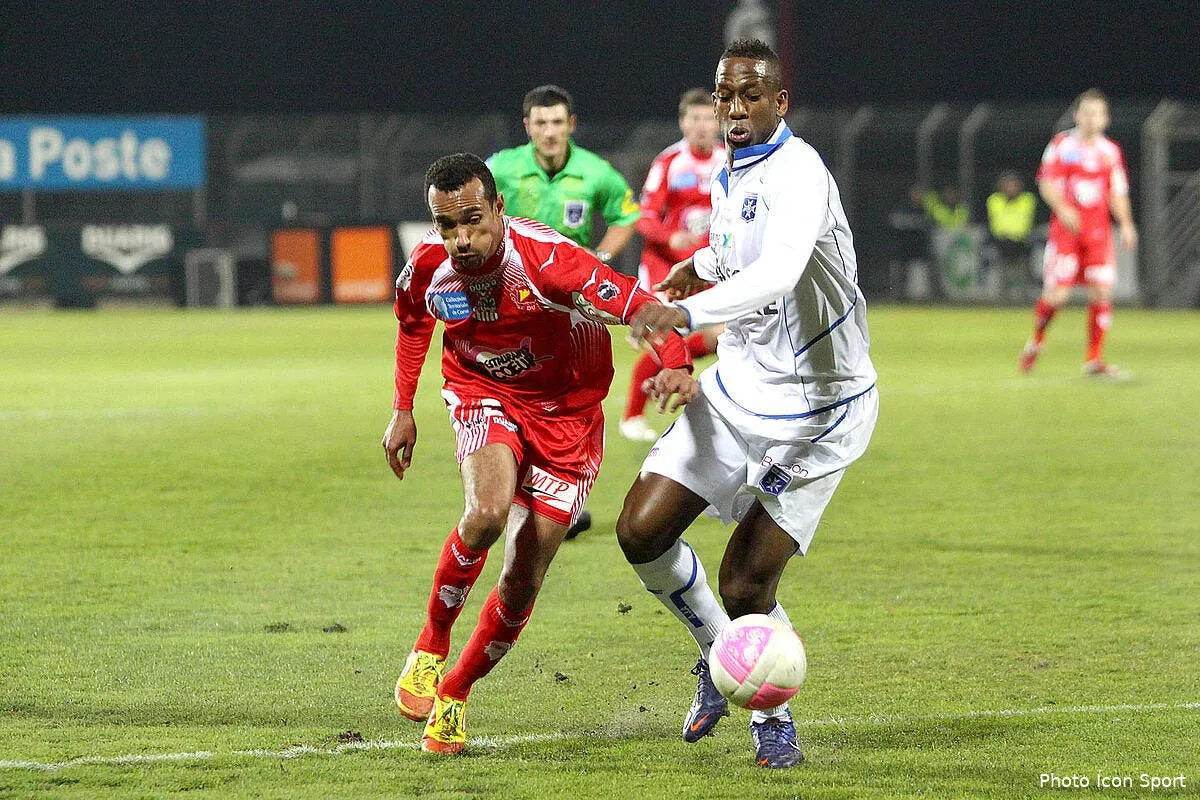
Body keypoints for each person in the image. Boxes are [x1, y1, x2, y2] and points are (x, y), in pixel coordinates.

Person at [619, 39, 878, 769]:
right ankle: (717, 653)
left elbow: (779, 270)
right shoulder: (731, 167)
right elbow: (736, 249)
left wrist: (688, 313)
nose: (734, 108)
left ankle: (774, 720)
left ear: (779, 102)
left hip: (818, 411)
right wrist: (693, 268)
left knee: (743, 580)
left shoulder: (801, 172)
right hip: (741, 388)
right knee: (641, 530)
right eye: (725, 95)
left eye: (750, 96)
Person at [383, 153, 696, 755]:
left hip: (569, 418)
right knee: (486, 514)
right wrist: (403, 409)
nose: (460, 239)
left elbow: (638, 306)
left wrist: (679, 365)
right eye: (446, 225)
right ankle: (429, 646)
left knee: (524, 575)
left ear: (499, 209)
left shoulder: (551, 260)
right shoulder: (429, 262)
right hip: (483, 393)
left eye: (472, 220)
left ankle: (454, 693)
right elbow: (412, 323)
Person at [488, 84, 642, 536]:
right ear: (527, 127)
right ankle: (531, 492)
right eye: (541, 123)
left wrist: (601, 260)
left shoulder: (595, 172)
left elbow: (626, 215)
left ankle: (557, 496)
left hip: (570, 306)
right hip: (511, 302)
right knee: (514, 394)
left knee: (570, 400)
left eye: (557, 122)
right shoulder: (502, 167)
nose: (549, 132)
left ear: (571, 125)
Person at [621, 88, 727, 442]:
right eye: (694, 118)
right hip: (666, 269)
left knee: (719, 338)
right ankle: (632, 415)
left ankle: (713, 409)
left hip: (706, 269)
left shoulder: (729, 161)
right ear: (683, 122)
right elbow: (644, 216)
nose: (702, 126)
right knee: (669, 341)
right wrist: (670, 237)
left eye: (709, 117)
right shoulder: (669, 163)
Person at [1020, 88, 1138, 377]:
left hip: (1097, 233)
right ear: (1076, 116)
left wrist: (1125, 224)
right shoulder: (1061, 145)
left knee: (1101, 291)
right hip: (1066, 233)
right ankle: (1036, 342)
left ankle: (1094, 360)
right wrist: (1063, 208)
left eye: (1096, 113)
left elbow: (1117, 193)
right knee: (1057, 295)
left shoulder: (1110, 152)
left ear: (1105, 119)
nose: (1091, 118)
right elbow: (1047, 183)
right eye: (1086, 112)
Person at [986, 171, 1037, 300]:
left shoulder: (1027, 199)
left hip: (1021, 241)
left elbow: (1025, 218)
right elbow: (997, 221)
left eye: (1013, 184)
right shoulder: (994, 200)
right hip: (1002, 241)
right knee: (1002, 271)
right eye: (1007, 185)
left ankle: (1023, 297)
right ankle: (1002, 297)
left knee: (1023, 272)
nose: (1011, 188)